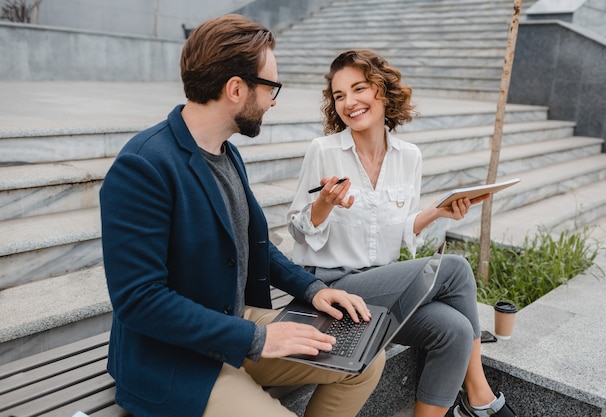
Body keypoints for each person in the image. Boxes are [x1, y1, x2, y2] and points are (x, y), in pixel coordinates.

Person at [99, 16, 385, 417]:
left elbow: (254, 246)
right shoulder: (143, 166)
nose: (273, 100)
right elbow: (140, 301)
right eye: (272, 87)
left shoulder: (226, 151)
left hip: (230, 323)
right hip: (170, 358)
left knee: (366, 360)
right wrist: (258, 337)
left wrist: (313, 289)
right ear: (236, 88)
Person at [287, 49, 517, 417]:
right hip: (333, 290)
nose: (349, 102)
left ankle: (461, 407)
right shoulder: (324, 150)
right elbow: (298, 231)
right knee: (455, 269)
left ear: (382, 89)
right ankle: (480, 397)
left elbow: (400, 228)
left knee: (455, 330)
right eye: (339, 95)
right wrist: (325, 204)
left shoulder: (410, 156)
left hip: (382, 289)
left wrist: (436, 212)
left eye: (358, 88)